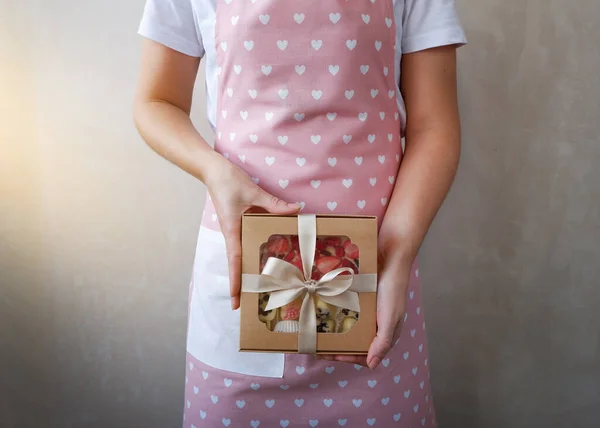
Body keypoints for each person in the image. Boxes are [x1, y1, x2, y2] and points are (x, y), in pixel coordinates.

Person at [134, 0, 466, 426]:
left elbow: (434, 125)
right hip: (244, 286)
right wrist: (215, 172)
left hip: (376, 281)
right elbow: (156, 100)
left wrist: (395, 257)